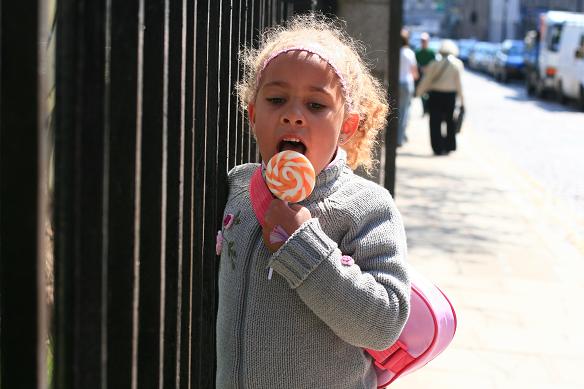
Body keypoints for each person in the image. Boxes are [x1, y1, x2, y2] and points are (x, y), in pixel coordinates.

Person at [216, 13, 410, 388]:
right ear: (253, 114)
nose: (293, 116)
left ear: (347, 126)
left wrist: (305, 245)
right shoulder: (239, 189)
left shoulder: (366, 207)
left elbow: (385, 323)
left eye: (316, 106)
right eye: (276, 100)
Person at [415, 39, 464, 155]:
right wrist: (462, 100)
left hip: (436, 95)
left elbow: (427, 80)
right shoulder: (457, 64)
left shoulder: (434, 64)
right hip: (450, 96)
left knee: (435, 122)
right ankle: (449, 145)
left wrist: (418, 92)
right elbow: (459, 84)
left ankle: (437, 147)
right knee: (450, 121)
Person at [397, 29, 419, 147]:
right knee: (404, 112)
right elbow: (415, 73)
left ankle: (395, 136)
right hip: (406, 83)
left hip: (396, 84)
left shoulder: (395, 52)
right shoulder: (409, 53)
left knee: (395, 112)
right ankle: (400, 138)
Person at [414, 32, 436, 115]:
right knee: (422, 93)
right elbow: (415, 64)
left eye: (425, 41)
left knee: (429, 93)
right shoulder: (417, 52)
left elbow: (434, 64)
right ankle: (425, 108)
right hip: (420, 76)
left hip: (429, 76)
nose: (423, 42)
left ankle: (428, 108)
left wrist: (428, 68)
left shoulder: (431, 52)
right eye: (422, 41)